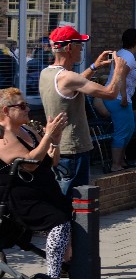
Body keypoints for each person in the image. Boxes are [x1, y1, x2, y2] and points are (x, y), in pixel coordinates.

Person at [0, 88, 76, 279]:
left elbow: (50, 161)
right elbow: (29, 164)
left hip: (45, 190)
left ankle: (78, 276)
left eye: (26, 105)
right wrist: (48, 136)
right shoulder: (2, 136)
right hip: (21, 198)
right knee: (59, 224)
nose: (27, 108)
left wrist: (56, 140)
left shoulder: (27, 130)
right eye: (22, 106)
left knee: (77, 221)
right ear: (6, 110)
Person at [40, 26, 129, 192]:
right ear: (69, 47)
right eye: (79, 44)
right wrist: (119, 71)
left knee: (62, 196)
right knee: (76, 203)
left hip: (58, 148)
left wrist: (94, 66)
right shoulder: (67, 77)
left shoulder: (47, 73)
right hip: (74, 149)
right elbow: (110, 93)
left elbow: (74, 84)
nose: (82, 48)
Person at [101, 28, 136, 171]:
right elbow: (121, 77)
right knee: (122, 131)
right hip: (118, 98)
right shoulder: (128, 57)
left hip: (118, 97)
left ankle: (122, 161)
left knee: (129, 129)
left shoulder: (125, 54)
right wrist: (124, 97)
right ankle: (115, 165)